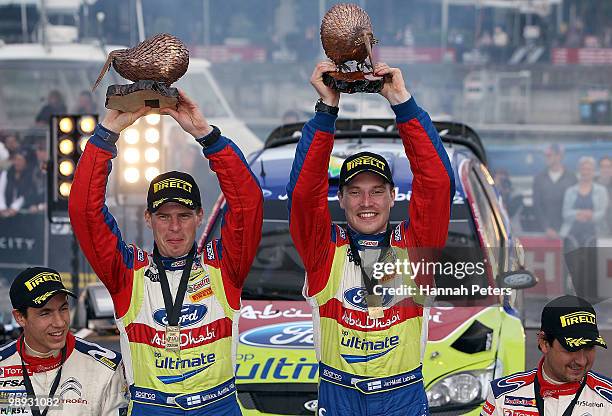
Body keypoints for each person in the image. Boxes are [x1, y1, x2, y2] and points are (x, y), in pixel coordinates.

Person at [68, 90, 263, 415]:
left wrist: (206, 135)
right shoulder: (127, 273)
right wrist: (106, 135)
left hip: (217, 406)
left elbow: (248, 203)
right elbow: (85, 213)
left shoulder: (224, 266)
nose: (174, 227)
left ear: (200, 216)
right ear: (148, 219)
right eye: (164, 216)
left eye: (184, 215)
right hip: (151, 407)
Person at [287, 61, 455, 415]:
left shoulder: (415, 246)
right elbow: (303, 195)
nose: (366, 202)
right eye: (356, 192)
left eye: (377, 191)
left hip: (402, 396)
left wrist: (401, 102)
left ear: (394, 197)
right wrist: (326, 111)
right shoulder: (323, 250)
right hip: (338, 395)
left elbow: (437, 184)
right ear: (341, 199)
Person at [0, 267, 128, 415]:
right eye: (45, 313)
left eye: (63, 309)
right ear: (20, 317)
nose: (60, 322)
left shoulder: (107, 369)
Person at [481, 295, 610, 416]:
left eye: (589, 347)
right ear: (544, 343)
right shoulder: (501, 396)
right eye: (571, 348)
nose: (581, 361)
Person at [561, 156, 608, 300]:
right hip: (572, 234)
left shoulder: (601, 190)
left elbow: (602, 212)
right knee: (572, 268)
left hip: (593, 234)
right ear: (579, 171)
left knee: (590, 268)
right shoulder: (571, 191)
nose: (586, 172)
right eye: (583, 169)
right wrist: (578, 214)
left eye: (589, 169)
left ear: (594, 172)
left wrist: (590, 215)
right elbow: (565, 212)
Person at [532, 144, 577, 238]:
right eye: (546, 155)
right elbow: (537, 206)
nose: (546, 158)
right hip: (545, 233)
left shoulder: (571, 178)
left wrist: (566, 228)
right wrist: (546, 228)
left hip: (568, 232)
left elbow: (575, 206)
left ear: (559, 156)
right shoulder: (539, 179)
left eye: (549, 155)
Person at [596, 156, 612, 235]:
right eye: (603, 167)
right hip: (597, 230)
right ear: (599, 169)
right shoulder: (592, 185)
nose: (606, 170)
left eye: (609, 167)